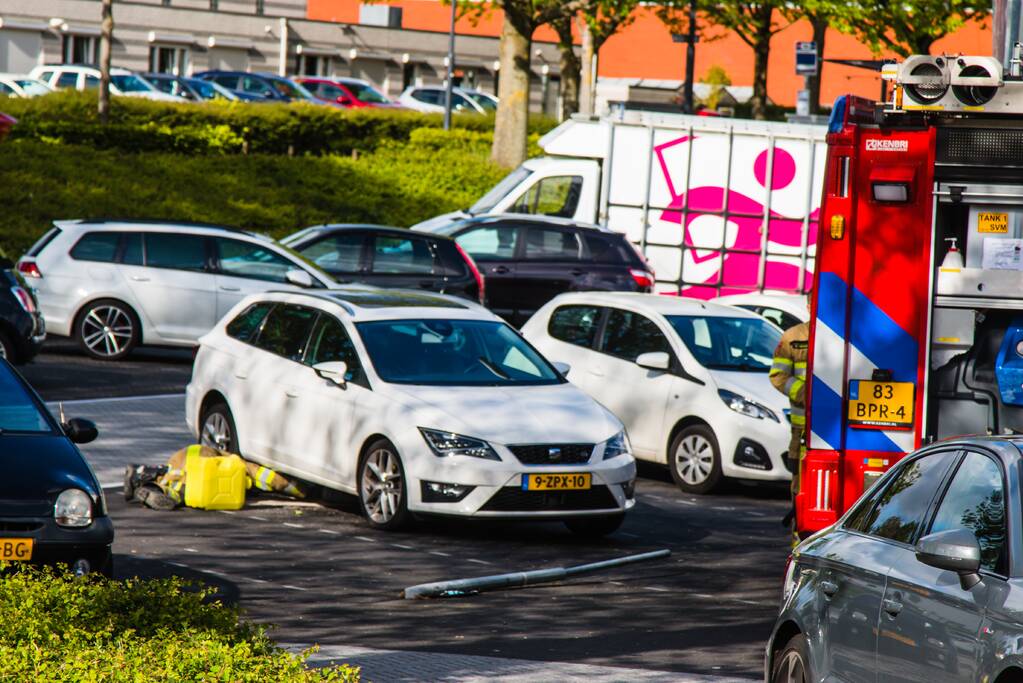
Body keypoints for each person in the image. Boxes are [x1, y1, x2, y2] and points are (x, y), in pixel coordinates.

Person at [125, 445, 304, 510]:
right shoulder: (242, 465)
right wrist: (301, 492)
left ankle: (142, 475)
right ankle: (152, 485)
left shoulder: (228, 456)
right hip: (204, 465)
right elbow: (274, 480)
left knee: (172, 477)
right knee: (187, 490)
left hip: (186, 454)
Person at [770, 318, 810, 543]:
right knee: (800, 484)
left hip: (837, 428)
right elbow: (778, 375)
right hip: (802, 427)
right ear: (808, 305)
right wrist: (805, 392)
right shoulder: (793, 337)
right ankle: (799, 538)